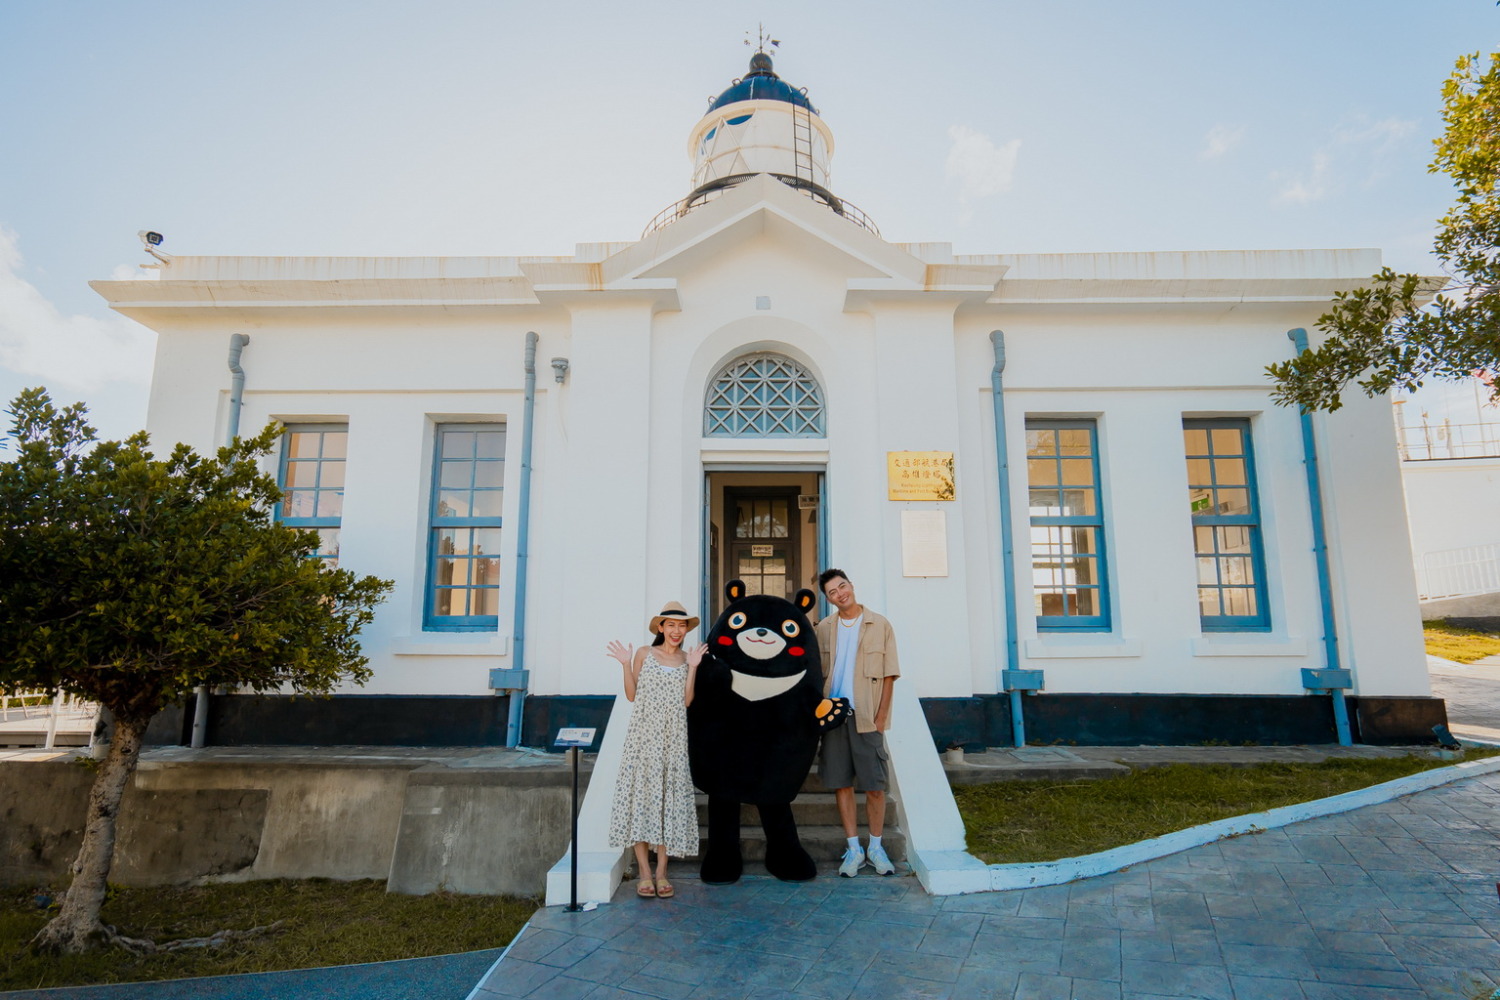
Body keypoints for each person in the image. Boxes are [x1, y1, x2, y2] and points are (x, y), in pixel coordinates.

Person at [606, 601, 706, 898]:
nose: (676, 630)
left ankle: (662, 872)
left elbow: (687, 701)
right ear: (661, 627)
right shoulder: (644, 653)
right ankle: (644, 873)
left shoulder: (687, 659)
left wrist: (694, 668)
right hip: (643, 738)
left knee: (666, 802)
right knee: (642, 799)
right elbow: (632, 694)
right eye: (671, 625)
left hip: (673, 739)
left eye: (682, 626)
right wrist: (625, 664)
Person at [814, 569, 900, 877]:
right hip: (834, 717)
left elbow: (889, 674)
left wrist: (881, 717)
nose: (840, 594)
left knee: (875, 786)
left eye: (842, 586)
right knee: (842, 784)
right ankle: (854, 849)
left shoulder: (880, 624)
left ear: (851, 585)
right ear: (829, 599)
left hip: (866, 717)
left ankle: (876, 847)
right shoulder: (824, 628)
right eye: (833, 592)